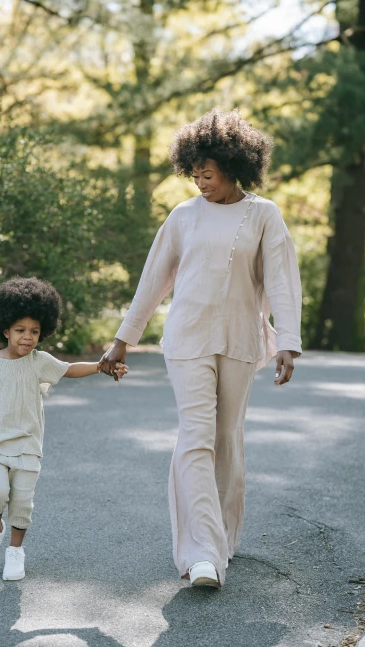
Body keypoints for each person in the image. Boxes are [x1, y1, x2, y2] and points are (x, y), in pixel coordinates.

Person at [99, 109, 302, 589]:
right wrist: (123, 339)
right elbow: (154, 280)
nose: (200, 183)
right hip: (187, 339)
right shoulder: (183, 216)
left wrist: (287, 345)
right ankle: (200, 554)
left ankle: (222, 536)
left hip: (239, 339)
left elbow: (281, 282)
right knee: (195, 436)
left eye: (207, 175)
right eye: (193, 174)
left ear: (234, 167)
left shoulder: (265, 215)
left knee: (226, 437)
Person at [0, 276, 127, 581]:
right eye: (20, 330)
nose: (28, 337)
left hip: (27, 442)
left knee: (23, 502)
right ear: (5, 330)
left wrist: (101, 366)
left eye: (35, 332)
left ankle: (15, 551)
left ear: (44, 332)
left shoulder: (40, 362)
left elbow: (69, 369)